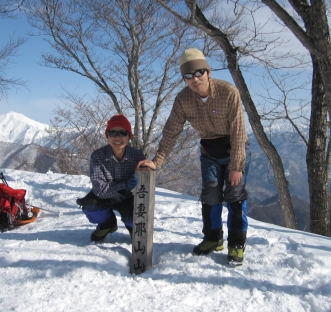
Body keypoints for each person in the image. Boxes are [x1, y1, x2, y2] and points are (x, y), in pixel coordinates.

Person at [138, 48, 250, 264]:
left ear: (208, 72)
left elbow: (238, 131)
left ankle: (236, 244)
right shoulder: (183, 99)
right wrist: (156, 161)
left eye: (199, 73)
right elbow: (171, 131)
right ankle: (212, 238)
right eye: (188, 76)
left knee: (235, 196)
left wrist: (236, 165)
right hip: (209, 151)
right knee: (210, 195)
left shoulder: (228, 92)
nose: (194, 79)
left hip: (234, 149)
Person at [76, 114, 146, 242]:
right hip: (104, 197)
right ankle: (108, 223)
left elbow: (146, 181)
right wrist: (124, 185)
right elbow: (99, 190)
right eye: (113, 132)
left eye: (123, 132)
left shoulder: (137, 156)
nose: (118, 137)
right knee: (90, 206)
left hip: (127, 197)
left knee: (136, 216)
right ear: (107, 135)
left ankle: (132, 226)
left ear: (129, 136)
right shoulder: (98, 156)